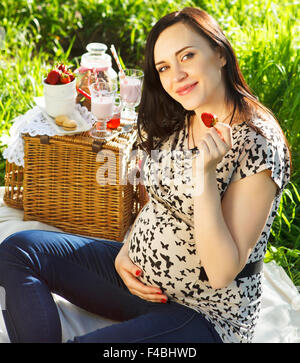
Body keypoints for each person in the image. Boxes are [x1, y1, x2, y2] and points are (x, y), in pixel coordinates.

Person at [0, 7, 291, 343]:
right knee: (16, 251)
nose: (176, 76)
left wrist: (204, 176)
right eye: (164, 67)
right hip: (139, 280)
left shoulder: (258, 142)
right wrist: (128, 249)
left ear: (220, 53)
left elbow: (221, 272)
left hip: (202, 315)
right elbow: (159, 196)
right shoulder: (183, 113)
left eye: (188, 56)